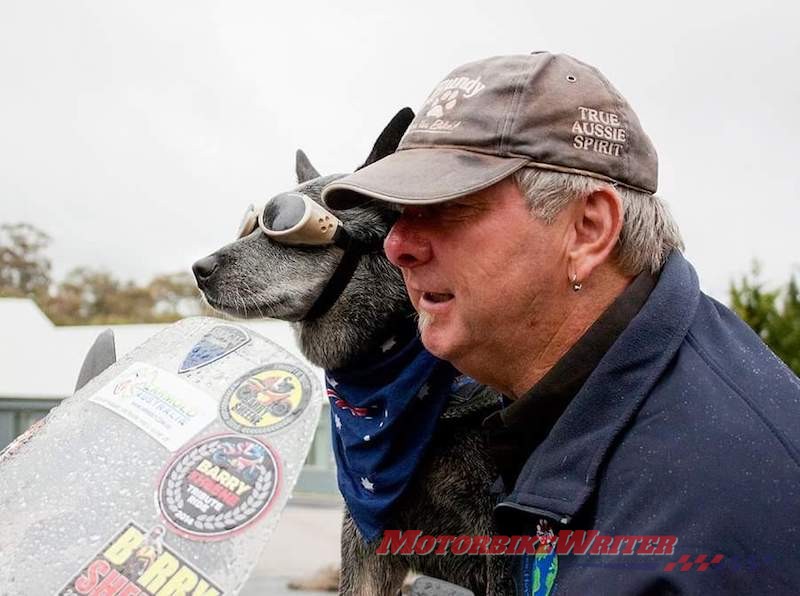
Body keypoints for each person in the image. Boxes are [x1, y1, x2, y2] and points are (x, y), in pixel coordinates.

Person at [322, 52, 800, 594]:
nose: (396, 244)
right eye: (399, 214)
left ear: (588, 230)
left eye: (445, 206)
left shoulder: (695, 508)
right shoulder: (580, 401)